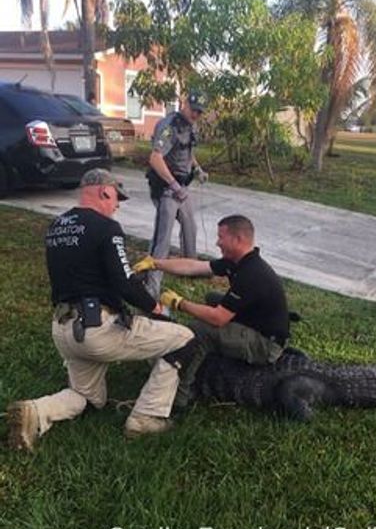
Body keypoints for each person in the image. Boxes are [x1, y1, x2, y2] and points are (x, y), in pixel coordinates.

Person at [6, 169, 195, 451]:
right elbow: (124, 283)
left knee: (89, 397)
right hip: (97, 329)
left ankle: (36, 411)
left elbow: (86, 272)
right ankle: (147, 416)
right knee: (185, 338)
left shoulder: (57, 226)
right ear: (104, 191)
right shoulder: (107, 228)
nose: (117, 205)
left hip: (64, 330)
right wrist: (155, 307)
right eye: (116, 198)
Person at [132, 215, 290, 409]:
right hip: (256, 322)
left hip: (265, 344)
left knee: (197, 331)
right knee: (213, 297)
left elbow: (218, 318)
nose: (217, 242)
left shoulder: (252, 274)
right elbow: (194, 267)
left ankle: (180, 396)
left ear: (237, 239)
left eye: (221, 237)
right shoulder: (238, 261)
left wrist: (180, 303)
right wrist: (156, 263)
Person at [144, 91, 209, 297]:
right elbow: (155, 158)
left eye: (199, 112)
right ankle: (151, 285)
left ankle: (190, 271)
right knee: (162, 239)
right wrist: (174, 186)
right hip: (166, 188)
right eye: (193, 109)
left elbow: (187, 152)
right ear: (184, 104)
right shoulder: (169, 126)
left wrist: (197, 169)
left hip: (182, 186)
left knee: (190, 228)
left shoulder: (191, 126)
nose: (196, 114)